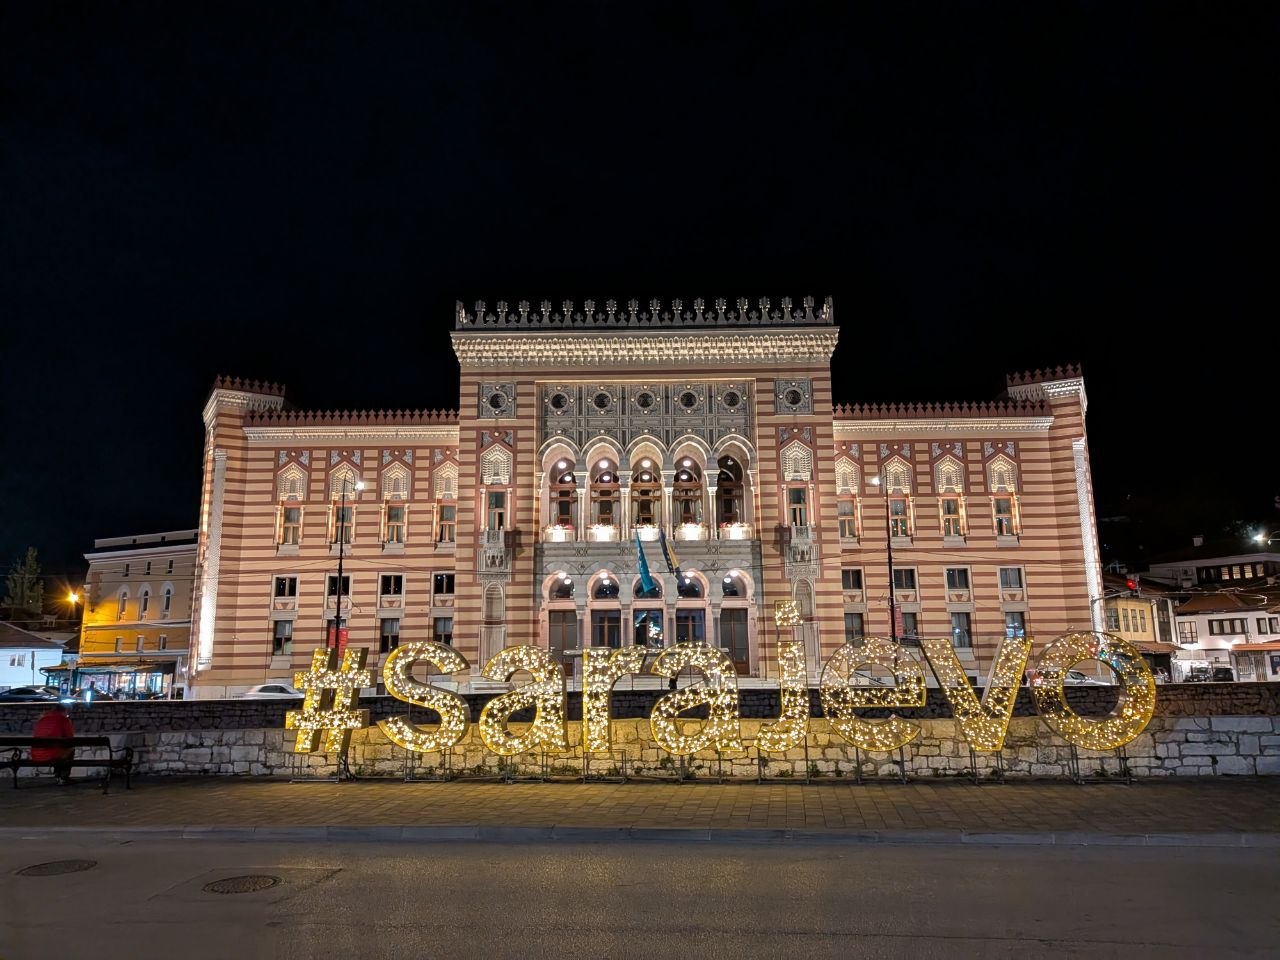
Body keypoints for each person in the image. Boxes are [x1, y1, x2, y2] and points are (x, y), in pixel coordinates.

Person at [32, 702, 75, 783]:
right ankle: (63, 777)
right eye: (68, 712)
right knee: (70, 749)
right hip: (50, 755)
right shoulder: (64, 720)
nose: (68, 714)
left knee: (58, 750)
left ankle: (58, 776)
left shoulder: (42, 718)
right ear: (66, 710)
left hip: (36, 754)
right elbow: (70, 739)